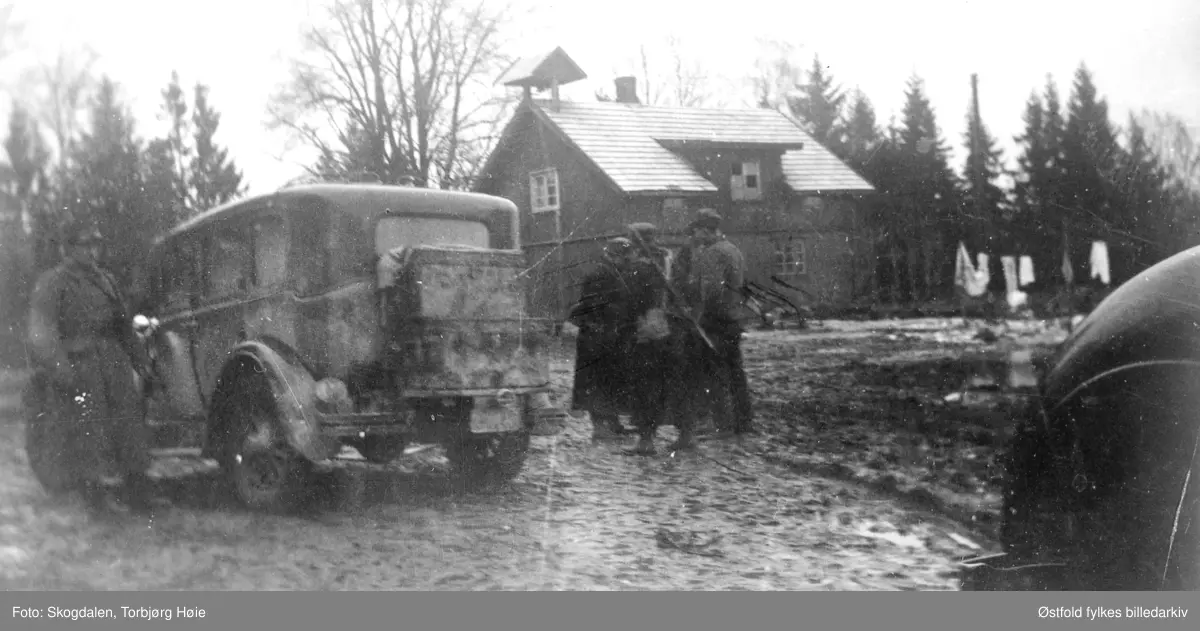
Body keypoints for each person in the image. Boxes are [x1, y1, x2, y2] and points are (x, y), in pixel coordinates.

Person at [26, 223, 162, 517]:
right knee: (89, 431)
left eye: (95, 246)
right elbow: (43, 333)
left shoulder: (106, 280)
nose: (92, 252)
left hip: (112, 361)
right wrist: (62, 371)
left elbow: (124, 327)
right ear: (69, 249)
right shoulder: (53, 283)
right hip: (80, 364)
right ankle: (96, 501)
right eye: (85, 246)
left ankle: (137, 491)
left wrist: (141, 363)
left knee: (128, 425)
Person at [687, 208, 756, 437]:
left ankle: (723, 426)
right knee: (736, 372)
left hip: (715, 320)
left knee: (715, 373)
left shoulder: (712, 253)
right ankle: (743, 423)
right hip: (733, 318)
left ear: (707, 231)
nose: (695, 236)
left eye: (697, 231)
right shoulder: (733, 250)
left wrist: (701, 314)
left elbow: (712, 289)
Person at [567, 237, 636, 440]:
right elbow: (594, 305)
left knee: (610, 380)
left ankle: (613, 423)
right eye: (625, 258)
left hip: (609, 334)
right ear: (616, 256)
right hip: (596, 334)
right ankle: (599, 427)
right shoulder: (600, 274)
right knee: (595, 382)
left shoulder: (613, 271)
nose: (628, 262)